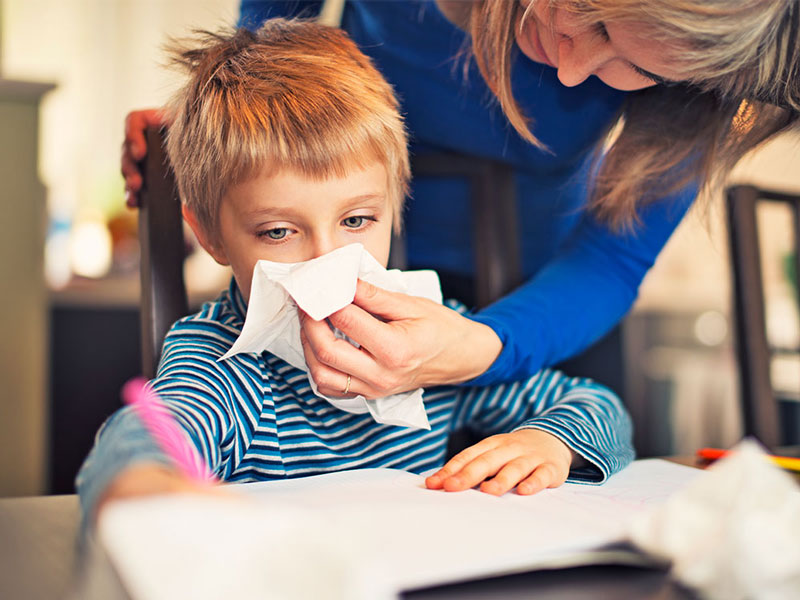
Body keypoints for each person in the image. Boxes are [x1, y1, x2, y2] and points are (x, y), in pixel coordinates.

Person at [78, 19, 634, 522]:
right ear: (211, 236)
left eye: (357, 219)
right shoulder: (220, 363)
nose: (330, 262)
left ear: (395, 212)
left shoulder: (427, 341)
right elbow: (151, 433)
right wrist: (144, 481)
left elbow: (595, 405)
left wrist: (549, 442)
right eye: (279, 231)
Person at [121, 1, 799, 401]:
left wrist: (488, 349)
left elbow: (612, 265)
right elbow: (157, 441)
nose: (567, 67)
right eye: (589, 11)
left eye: (636, 66)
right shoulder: (216, 376)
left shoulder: (710, 74)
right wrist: (225, 133)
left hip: (533, 311)